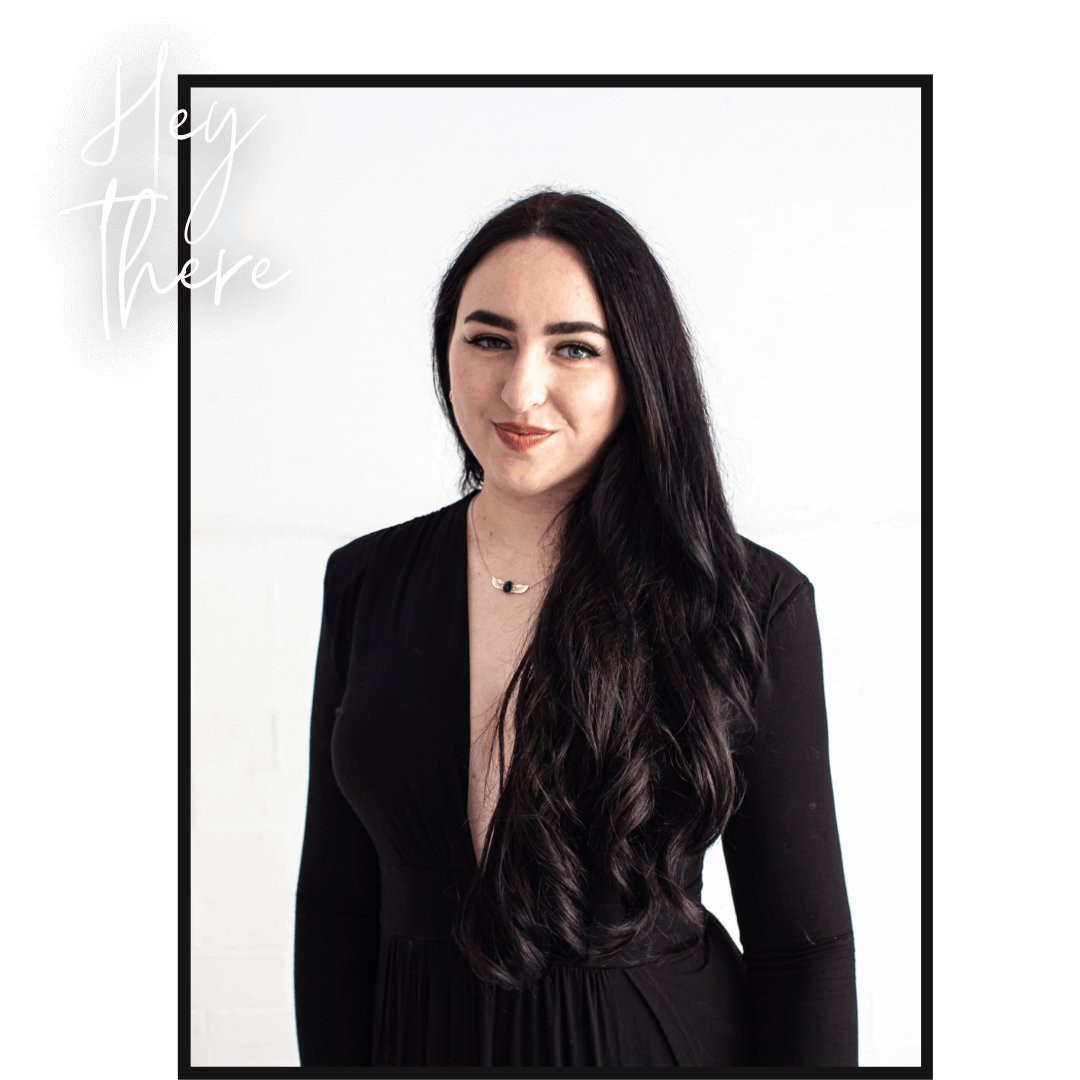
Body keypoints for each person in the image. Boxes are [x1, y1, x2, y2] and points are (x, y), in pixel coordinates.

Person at [293, 191, 857, 1066]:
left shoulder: (747, 599)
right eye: (489, 339)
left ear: (638, 371)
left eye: (574, 348)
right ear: (447, 350)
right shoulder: (366, 582)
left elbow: (804, 948)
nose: (521, 388)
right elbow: (334, 903)